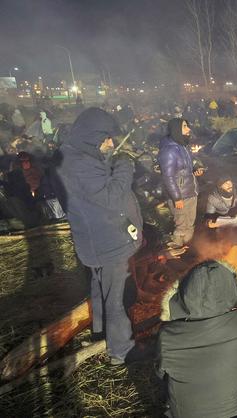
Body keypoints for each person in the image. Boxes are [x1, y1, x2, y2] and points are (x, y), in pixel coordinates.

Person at [56, 107, 143, 365]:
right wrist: (125, 165)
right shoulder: (80, 165)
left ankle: (101, 334)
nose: (111, 143)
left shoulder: (71, 156)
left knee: (100, 289)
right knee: (116, 298)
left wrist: (106, 160)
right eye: (107, 138)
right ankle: (121, 352)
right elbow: (112, 197)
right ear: (94, 134)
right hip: (108, 242)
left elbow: (92, 190)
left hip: (94, 241)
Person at [158, 261, 237, 418]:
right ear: (230, 288)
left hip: (186, 414)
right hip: (235, 410)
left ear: (185, 292)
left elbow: (160, 372)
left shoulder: (167, 335)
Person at [157, 118, 204, 252]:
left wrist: (196, 169)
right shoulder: (169, 151)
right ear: (176, 129)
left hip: (190, 190)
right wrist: (176, 197)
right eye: (185, 127)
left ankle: (187, 248)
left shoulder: (182, 146)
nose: (189, 129)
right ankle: (176, 250)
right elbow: (168, 177)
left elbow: (189, 165)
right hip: (180, 195)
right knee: (181, 225)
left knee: (189, 223)